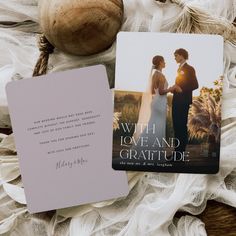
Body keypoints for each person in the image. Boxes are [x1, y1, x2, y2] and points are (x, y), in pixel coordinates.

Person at [133, 55, 179, 155]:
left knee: (152, 126)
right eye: (164, 61)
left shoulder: (154, 74)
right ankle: (154, 153)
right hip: (159, 104)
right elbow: (162, 92)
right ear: (160, 63)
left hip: (155, 103)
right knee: (157, 128)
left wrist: (164, 92)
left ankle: (145, 150)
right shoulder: (161, 75)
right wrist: (172, 88)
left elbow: (153, 91)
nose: (165, 63)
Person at [172, 48, 199, 153]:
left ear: (182, 56)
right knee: (176, 127)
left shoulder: (190, 69)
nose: (174, 58)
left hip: (183, 102)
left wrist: (181, 89)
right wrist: (174, 90)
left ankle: (180, 154)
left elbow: (195, 85)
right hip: (176, 101)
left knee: (181, 127)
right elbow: (180, 85)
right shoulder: (178, 69)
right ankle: (176, 152)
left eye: (176, 56)